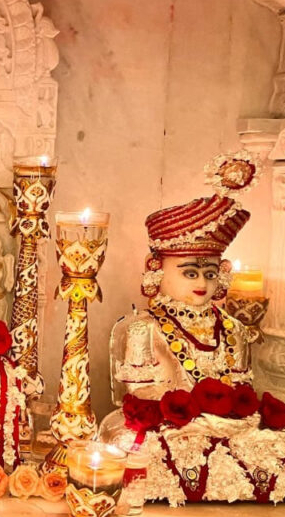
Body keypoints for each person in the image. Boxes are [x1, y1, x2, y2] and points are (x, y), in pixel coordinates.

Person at [110, 151, 258, 399]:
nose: (202, 282)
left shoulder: (234, 329)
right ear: (155, 268)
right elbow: (139, 394)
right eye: (190, 273)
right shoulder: (144, 329)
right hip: (165, 418)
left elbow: (242, 392)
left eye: (210, 274)